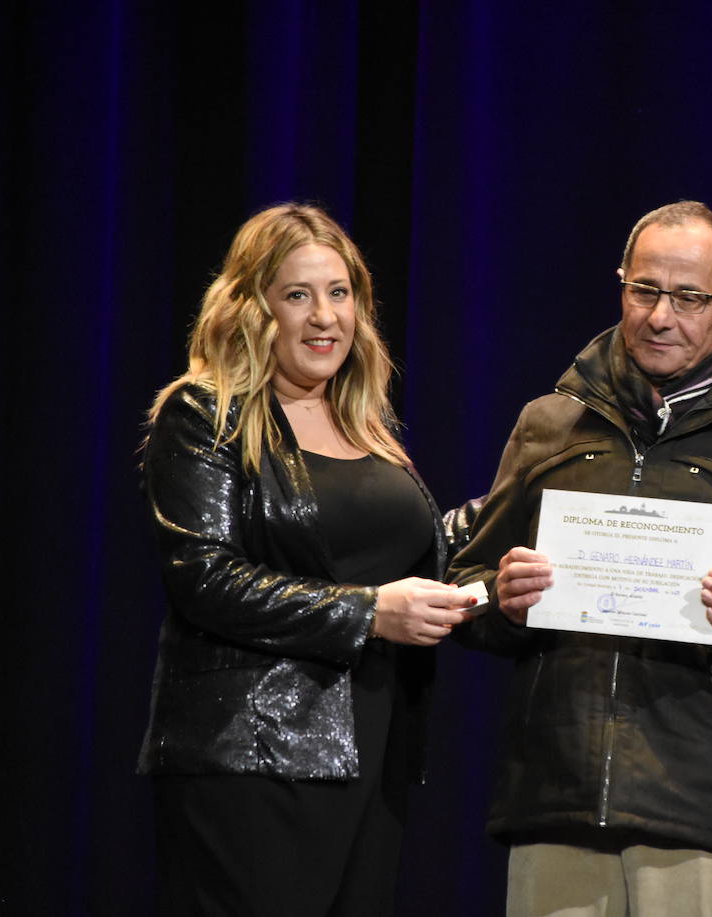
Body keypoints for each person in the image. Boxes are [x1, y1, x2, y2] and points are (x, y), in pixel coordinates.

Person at [448, 201, 712, 917]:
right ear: (621, 285)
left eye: (688, 297)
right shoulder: (548, 426)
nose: (662, 317)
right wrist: (499, 597)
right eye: (644, 290)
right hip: (556, 801)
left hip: (706, 818)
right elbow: (463, 587)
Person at [138, 203, 477, 915]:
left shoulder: (364, 424)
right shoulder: (207, 415)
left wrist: (500, 561)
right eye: (298, 295)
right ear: (254, 307)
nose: (324, 317)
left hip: (372, 750)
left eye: (339, 293)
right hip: (255, 756)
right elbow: (205, 576)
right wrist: (370, 612)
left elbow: (406, 555)